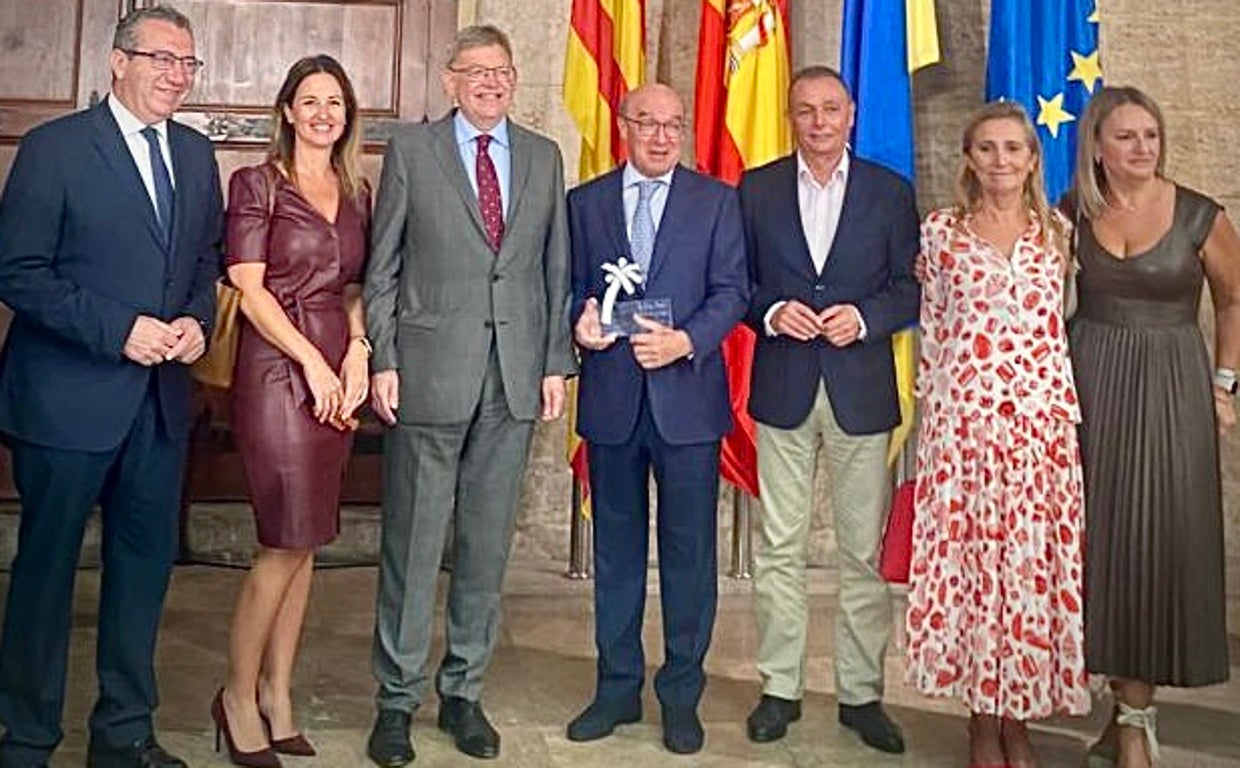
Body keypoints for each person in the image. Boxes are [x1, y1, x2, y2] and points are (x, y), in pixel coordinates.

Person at [0, 6, 221, 768]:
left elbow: (202, 266)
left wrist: (197, 321)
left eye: (187, 63)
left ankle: (124, 733)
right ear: (117, 62)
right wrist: (117, 328)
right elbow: (18, 272)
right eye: (161, 58)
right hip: (67, 401)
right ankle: (27, 736)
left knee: (141, 574)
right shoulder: (54, 148)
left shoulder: (195, 156)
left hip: (159, 408)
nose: (175, 75)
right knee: (45, 575)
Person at [362, 24, 575, 767]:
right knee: (414, 545)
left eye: (503, 72)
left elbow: (557, 272)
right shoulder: (412, 153)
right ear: (449, 80)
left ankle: (463, 693)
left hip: (514, 378)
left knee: (485, 549)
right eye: (476, 71)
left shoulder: (545, 159)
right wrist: (383, 358)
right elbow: (381, 265)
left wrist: (555, 362)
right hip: (427, 372)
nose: (491, 83)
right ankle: (395, 700)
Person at [564, 83, 749, 756]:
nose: (662, 136)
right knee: (615, 554)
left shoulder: (717, 201)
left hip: (687, 402)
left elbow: (734, 291)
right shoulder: (584, 203)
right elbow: (567, 288)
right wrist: (578, 326)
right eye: (649, 123)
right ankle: (616, 689)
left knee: (689, 555)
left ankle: (681, 695)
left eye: (675, 125)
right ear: (624, 126)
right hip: (612, 403)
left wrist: (688, 341)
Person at [739, 65, 919, 754]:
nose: (818, 122)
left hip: (860, 389)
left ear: (851, 115)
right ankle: (779, 687)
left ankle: (861, 693)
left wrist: (868, 319)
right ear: (791, 117)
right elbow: (738, 281)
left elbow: (909, 288)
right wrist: (775, 310)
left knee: (862, 554)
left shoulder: (888, 192)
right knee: (778, 546)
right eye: (805, 110)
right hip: (783, 386)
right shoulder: (756, 189)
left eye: (831, 109)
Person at [906, 101, 1089, 768]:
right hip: (966, 430)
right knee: (977, 576)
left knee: (1030, 576)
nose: (1002, 160)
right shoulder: (940, 235)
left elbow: (1067, 326)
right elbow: (934, 332)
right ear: (970, 158)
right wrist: (934, 427)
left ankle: (1022, 717)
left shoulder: (1060, 233)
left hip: (1041, 431)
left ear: (1034, 159)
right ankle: (982, 717)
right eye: (988, 148)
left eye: (1014, 148)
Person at [1069, 86, 1240, 768]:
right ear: (1098, 148)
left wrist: (1226, 384)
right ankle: (1123, 714)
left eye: (1151, 135)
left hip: (1172, 385)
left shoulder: (1201, 214)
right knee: (1104, 549)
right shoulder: (1072, 211)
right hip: (1090, 386)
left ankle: (1137, 722)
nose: (1143, 147)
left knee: (1159, 544)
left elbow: (1234, 300)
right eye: (1127, 137)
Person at [212, 55, 372, 768]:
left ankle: (280, 695)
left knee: (309, 541)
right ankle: (236, 699)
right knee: (282, 539)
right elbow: (249, 286)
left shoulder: (355, 188)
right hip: (278, 369)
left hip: (339, 372)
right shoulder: (257, 184)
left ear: (347, 115)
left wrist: (358, 350)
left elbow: (353, 285)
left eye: (334, 102)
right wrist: (310, 360)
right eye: (309, 101)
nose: (322, 113)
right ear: (285, 111)